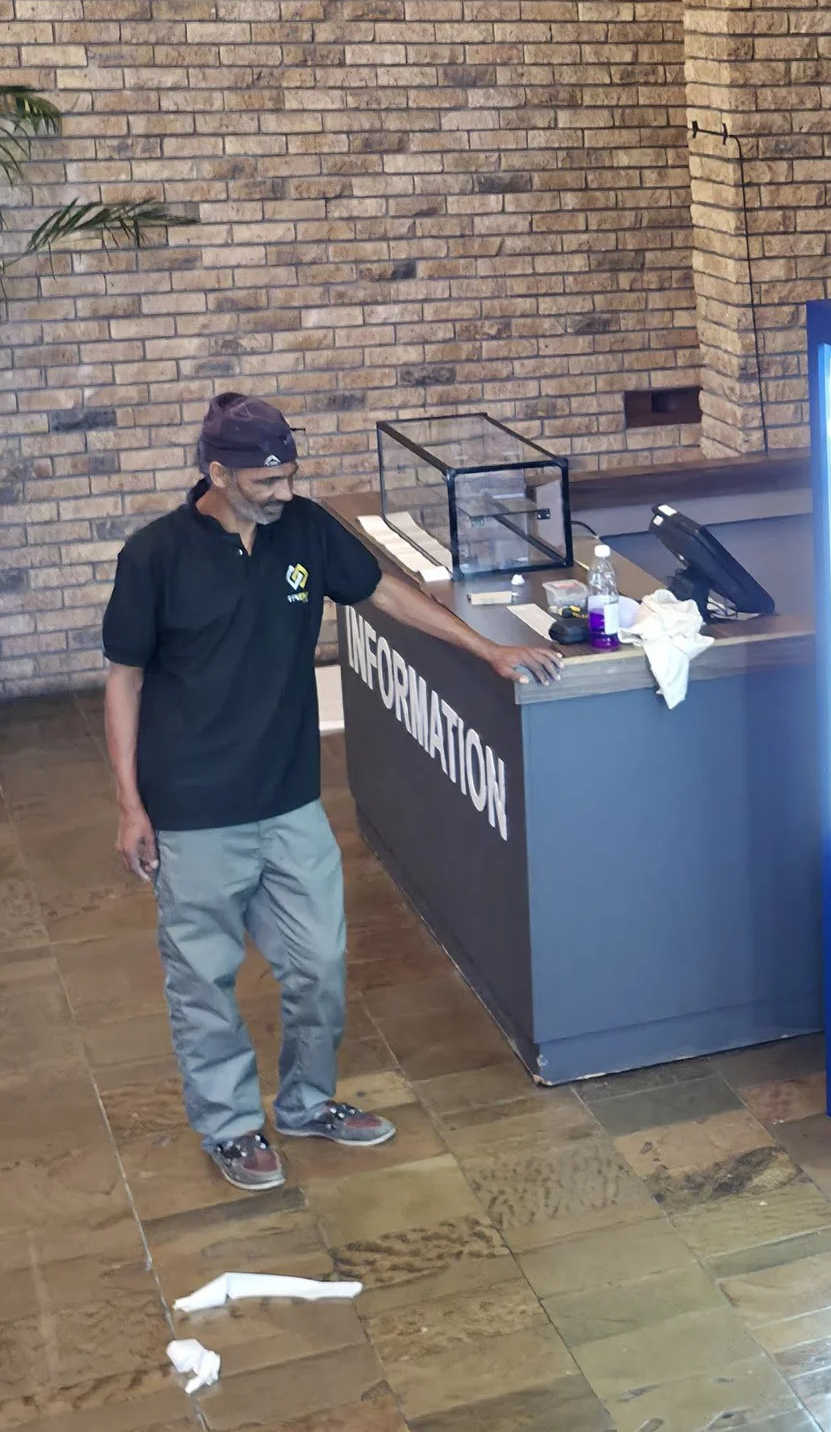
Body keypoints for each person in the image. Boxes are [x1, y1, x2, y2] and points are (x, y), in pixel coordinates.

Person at [103, 392, 560, 1192]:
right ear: (217, 472)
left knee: (319, 963)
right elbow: (125, 680)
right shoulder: (155, 556)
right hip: (193, 807)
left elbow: (382, 591)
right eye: (265, 481)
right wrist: (131, 804)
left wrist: (486, 650)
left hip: (288, 798)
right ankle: (232, 1127)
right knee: (203, 979)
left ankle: (308, 1104)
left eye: (289, 475)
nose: (283, 492)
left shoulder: (306, 530)